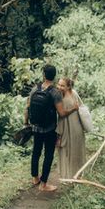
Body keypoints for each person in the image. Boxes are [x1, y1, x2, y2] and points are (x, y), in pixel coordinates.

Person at [24, 64, 78, 192]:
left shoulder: (34, 89)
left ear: (43, 75)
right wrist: (73, 109)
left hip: (36, 127)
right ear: (54, 76)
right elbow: (62, 113)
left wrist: (26, 123)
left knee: (36, 152)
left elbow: (27, 108)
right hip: (49, 129)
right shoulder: (55, 92)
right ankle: (43, 184)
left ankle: (35, 178)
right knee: (48, 155)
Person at [55, 78, 86, 179]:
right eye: (58, 84)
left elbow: (80, 108)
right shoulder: (61, 95)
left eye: (62, 86)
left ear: (68, 86)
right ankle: (69, 174)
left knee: (76, 149)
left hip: (75, 126)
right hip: (67, 127)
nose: (59, 87)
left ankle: (77, 173)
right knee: (66, 150)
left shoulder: (71, 94)